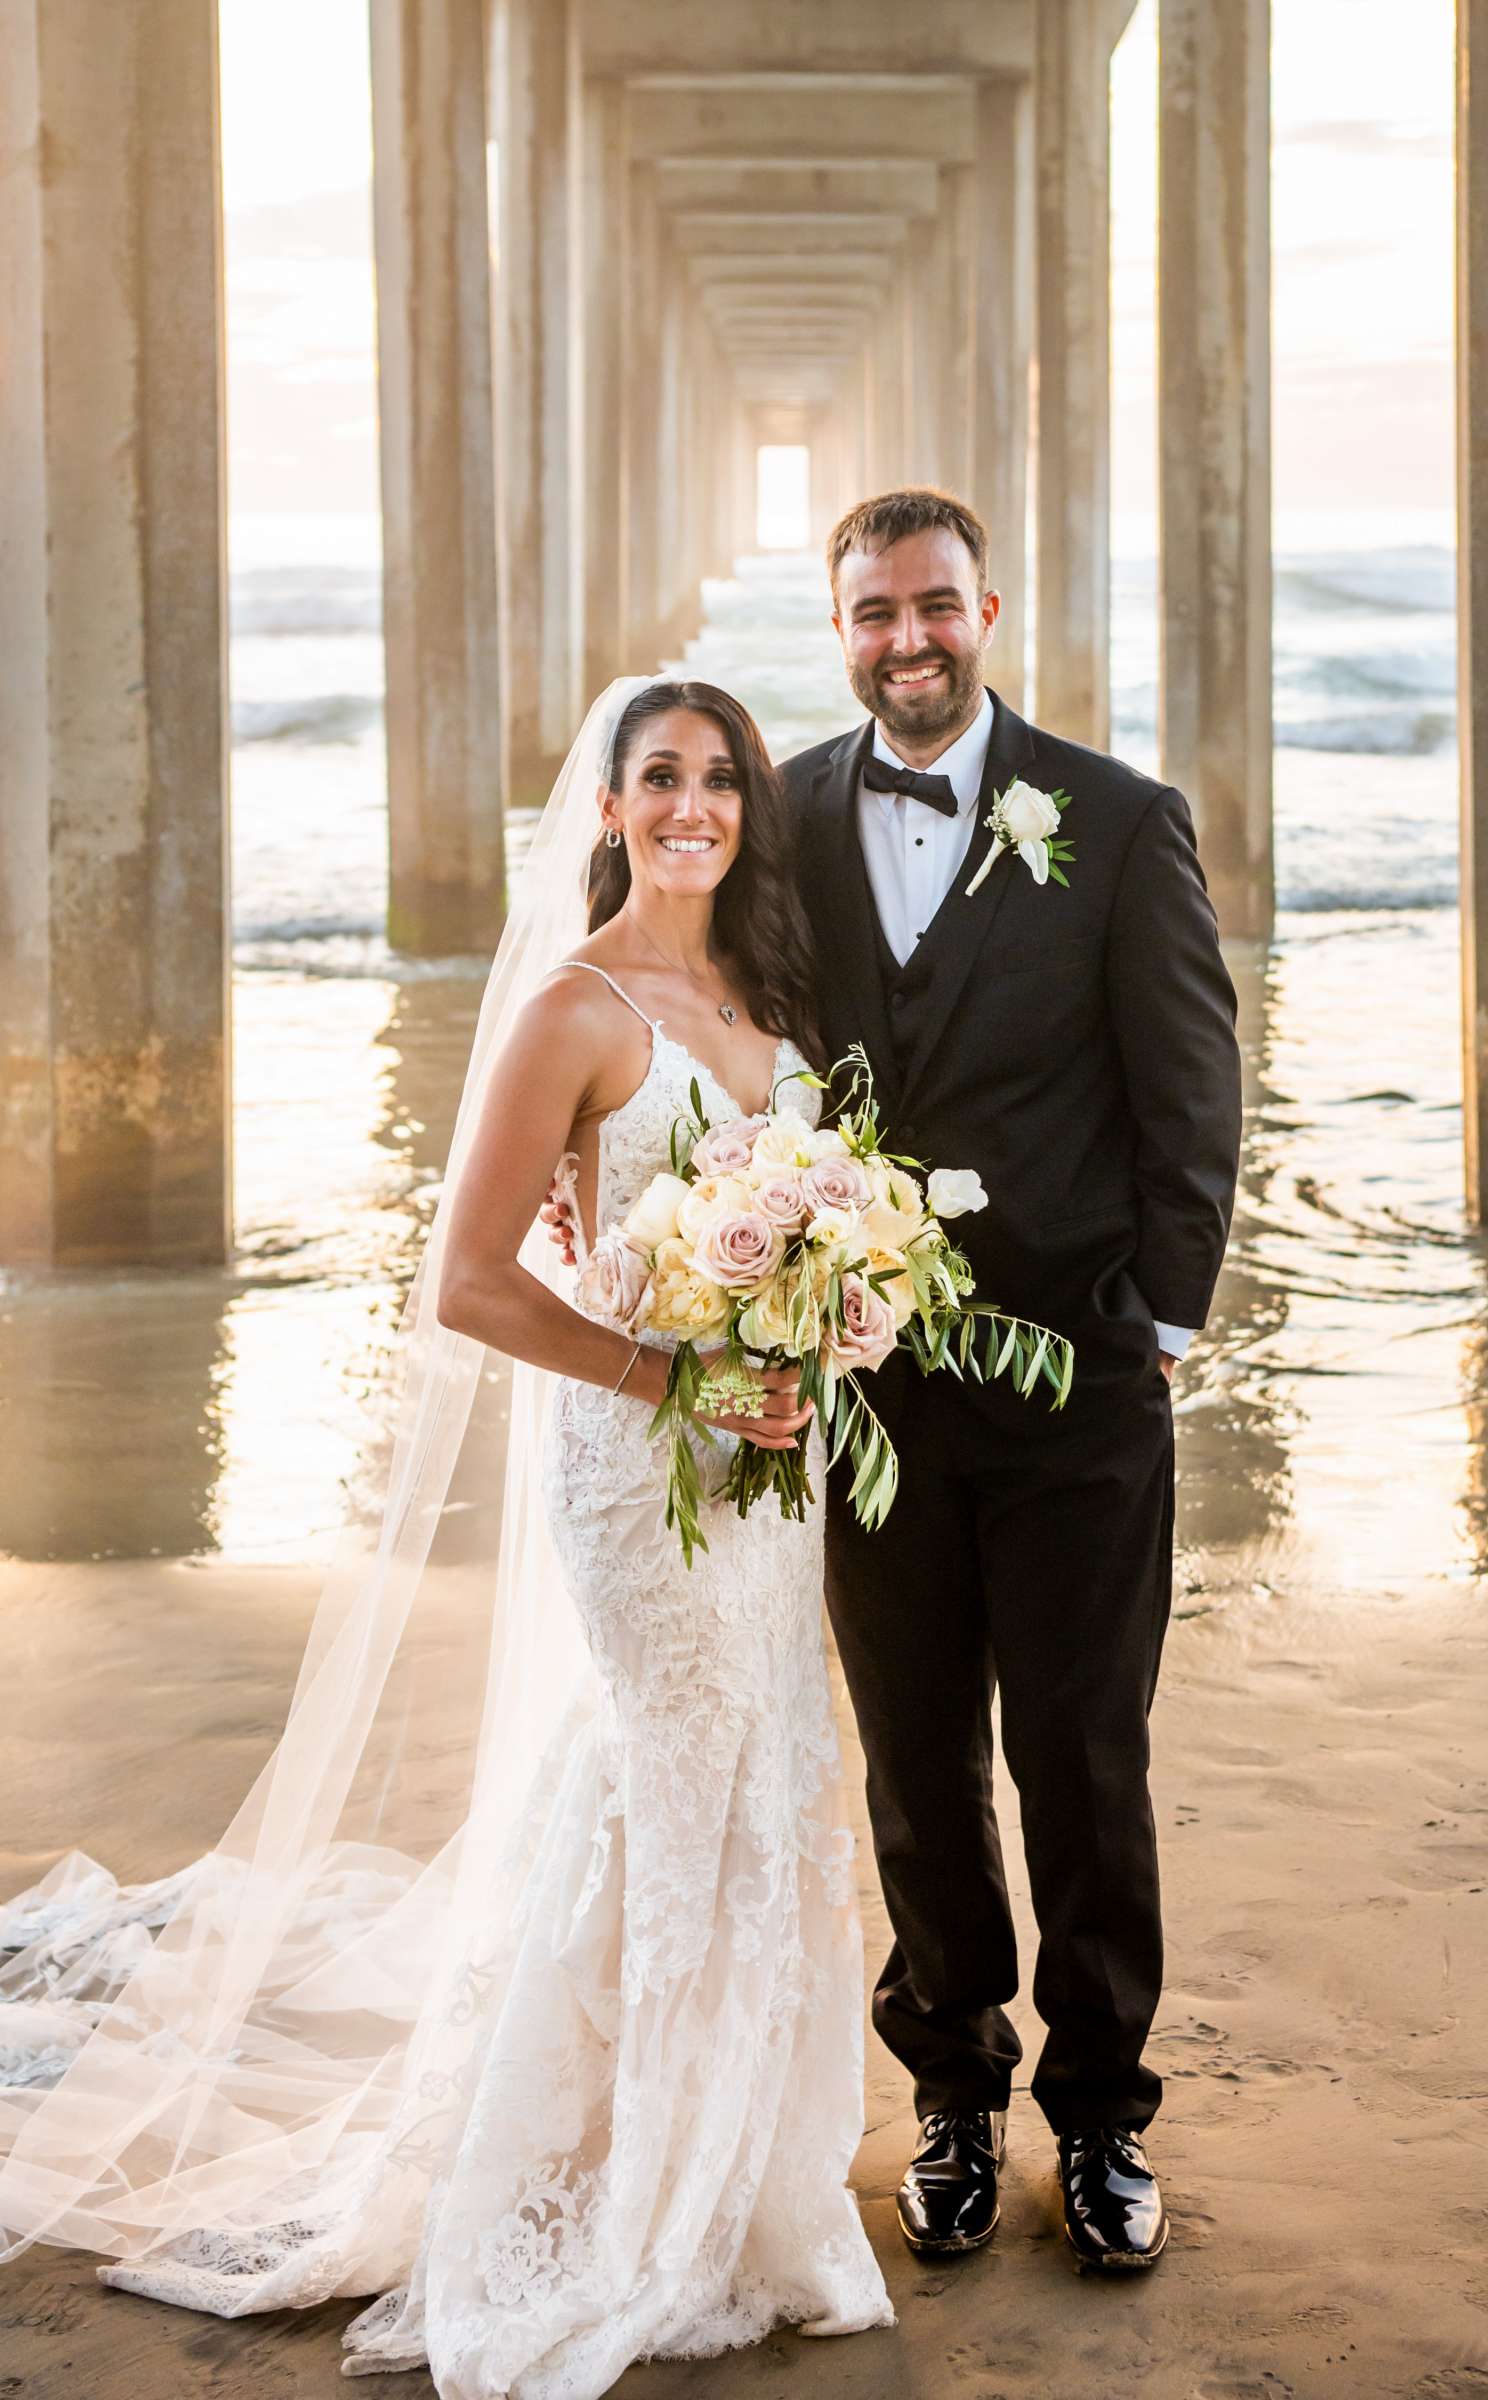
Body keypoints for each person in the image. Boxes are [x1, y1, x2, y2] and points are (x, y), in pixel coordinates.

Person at [0, 678, 892, 2396]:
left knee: (765, 1773)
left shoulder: (769, 997)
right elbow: (469, 1282)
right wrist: (672, 1374)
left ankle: (736, 2181)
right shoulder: (572, 1008)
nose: (694, 806)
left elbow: (798, 1231)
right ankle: (616, 2194)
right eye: (661, 779)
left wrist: (813, 1337)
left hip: (761, 1477)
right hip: (638, 1469)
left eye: (721, 781)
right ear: (612, 809)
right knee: (664, 1767)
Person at [780, 487, 1243, 2272]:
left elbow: (1190, 1086)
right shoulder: (788, 818)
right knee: (914, 1766)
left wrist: (1165, 1324)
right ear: (840, 629)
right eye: (876, 612)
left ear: (994, 608)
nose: (908, 639)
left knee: (1082, 1757)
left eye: (937, 607)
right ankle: (955, 2096)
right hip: (867, 1386)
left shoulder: (1116, 822)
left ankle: (1107, 2117)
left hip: (1078, 1390)